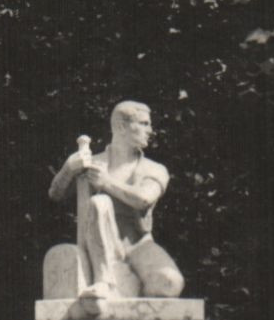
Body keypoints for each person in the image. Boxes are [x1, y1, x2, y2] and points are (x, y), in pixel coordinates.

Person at [47, 100, 184, 302]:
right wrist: (68, 169)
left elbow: (143, 199)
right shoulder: (92, 162)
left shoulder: (154, 169)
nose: (151, 130)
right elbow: (56, 194)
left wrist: (107, 182)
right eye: (144, 124)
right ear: (121, 126)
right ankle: (105, 280)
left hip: (138, 246)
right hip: (99, 246)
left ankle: (125, 281)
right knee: (99, 203)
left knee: (168, 284)